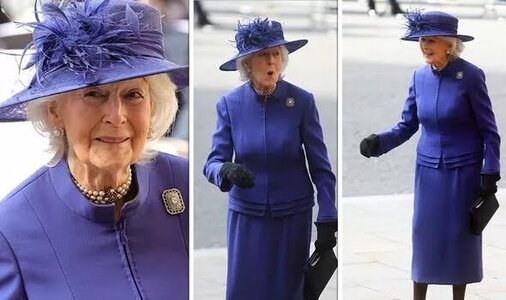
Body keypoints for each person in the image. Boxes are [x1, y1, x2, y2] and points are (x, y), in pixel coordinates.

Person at [0, 0, 189, 298]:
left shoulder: (186, 183)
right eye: (94, 94)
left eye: (133, 94)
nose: (116, 115)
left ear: (154, 105)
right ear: (54, 111)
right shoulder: (12, 229)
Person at [359, 11, 500, 300]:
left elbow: (490, 130)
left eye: (431, 40)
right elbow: (407, 125)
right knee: (424, 236)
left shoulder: (471, 76)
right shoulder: (419, 77)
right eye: (421, 40)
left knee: (459, 238)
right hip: (429, 172)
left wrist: (490, 172)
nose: (424, 46)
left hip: (463, 170)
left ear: (449, 44)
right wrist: (378, 144)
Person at [203, 18, 337, 299]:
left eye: (277, 54)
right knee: (245, 290)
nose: (272, 61)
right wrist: (225, 170)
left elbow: (321, 168)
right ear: (247, 64)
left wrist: (327, 216)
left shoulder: (302, 101)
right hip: (247, 215)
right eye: (264, 55)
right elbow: (212, 163)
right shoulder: (229, 104)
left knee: (287, 291)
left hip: (292, 215)